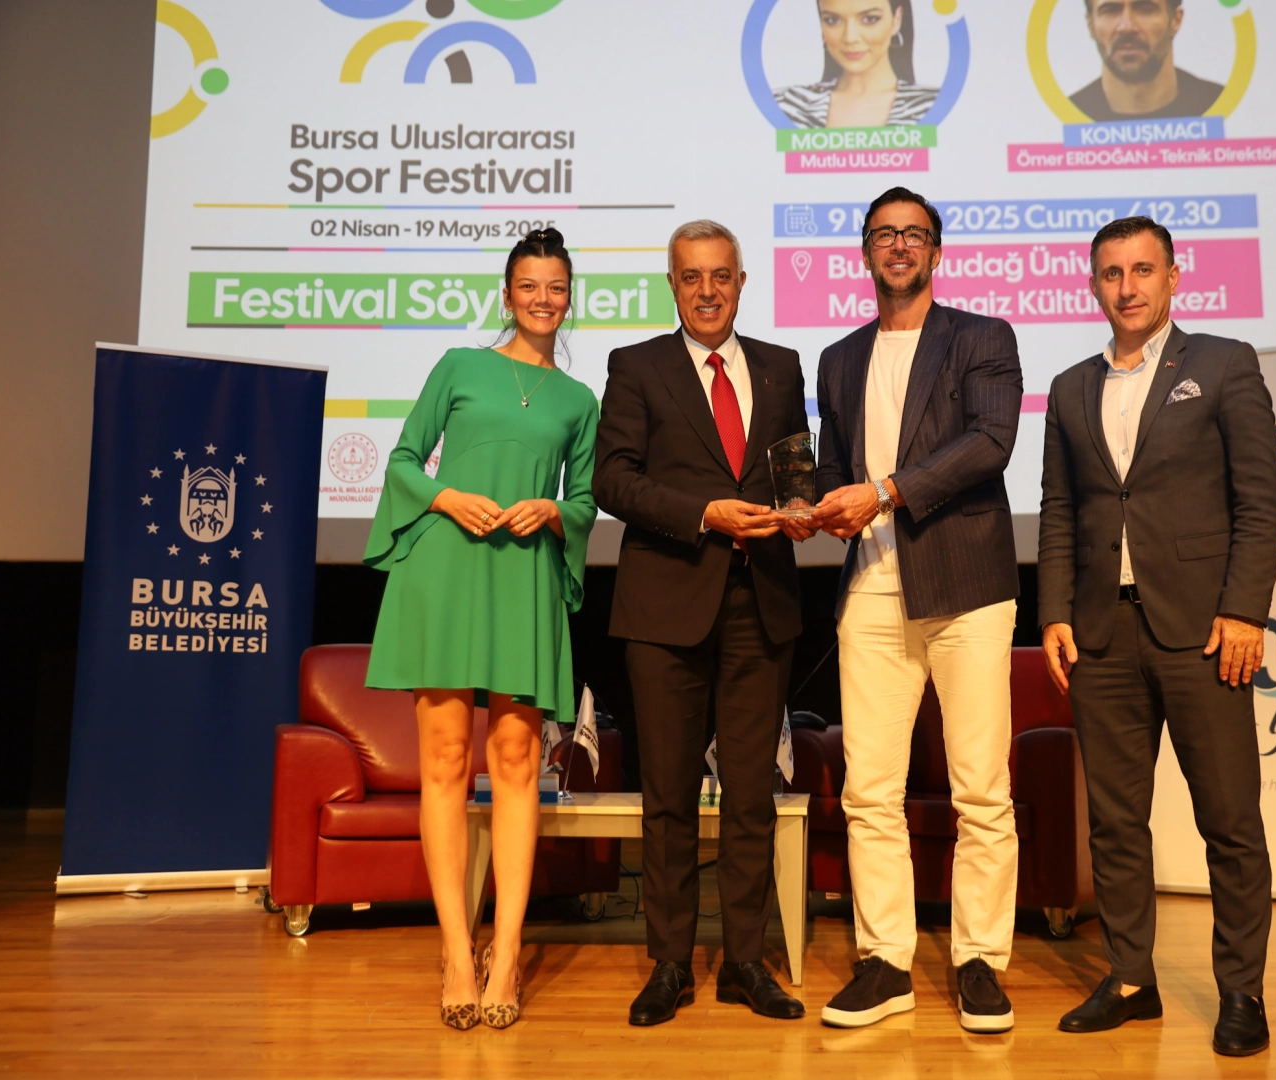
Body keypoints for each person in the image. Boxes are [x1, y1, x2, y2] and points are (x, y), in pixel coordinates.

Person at [1038, 215, 1276, 1057]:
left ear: (1174, 277)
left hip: (1201, 630)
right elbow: (1061, 510)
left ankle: (1241, 991)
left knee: (1229, 821)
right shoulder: (1069, 387)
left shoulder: (1223, 363)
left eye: (1142, 270)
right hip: (1102, 633)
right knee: (1114, 822)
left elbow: (1258, 500)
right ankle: (1130, 979)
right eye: (1111, 273)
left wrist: (1245, 610)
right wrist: (1055, 611)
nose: (1127, 287)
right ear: (1092, 285)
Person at [362, 229, 599, 1031]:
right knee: (443, 761)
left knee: (518, 763)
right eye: (529, 286)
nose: (542, 299)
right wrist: (444, 496)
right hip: (447, 570)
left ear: (568, 297)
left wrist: (552, 510)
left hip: (524, 576)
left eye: (555, 287)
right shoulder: (459, 366)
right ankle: (458, 953)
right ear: (507, 294)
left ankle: (509, 951)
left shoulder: (580, 401)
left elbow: (585, 501)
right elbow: (403, 459)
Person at [811, 187, 1022, 1033]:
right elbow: (834, 467)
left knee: (981, 789)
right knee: (869, 790)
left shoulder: (981, 338)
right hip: (869, 588)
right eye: (883, 234)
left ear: (935, 250)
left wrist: (886, 492)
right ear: (864, 251)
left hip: (965, 587)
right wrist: (819, 506)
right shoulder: (838, 357)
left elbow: (990, 442)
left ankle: (979, 962)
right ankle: (884, 961)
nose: (898, 246)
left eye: (913, 234)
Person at [594, 220, 815, 1026]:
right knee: (668, 797)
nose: (707, 290)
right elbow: (613, 480)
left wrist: (800, 504)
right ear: (672, 285)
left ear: (741, 282)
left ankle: (745, 961)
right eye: (691, 277)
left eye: (720, 275)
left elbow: (794, 465)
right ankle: (670, 965)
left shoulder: (780, 365)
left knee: (752, 795)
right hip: (666, 605)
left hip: (763, 601)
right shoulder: (636, 366)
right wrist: (703, 513)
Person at [774, 0, 939, 128]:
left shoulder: (934, 104)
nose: (850, 37)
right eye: (832, 20)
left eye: (869, 19)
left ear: (897, 19)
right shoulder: (784, 104)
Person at [1068, 0, 1224, 121]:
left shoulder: (1219, 104)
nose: (1127, 27)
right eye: (1110, 10)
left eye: (1145, 9)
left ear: (1175, 21)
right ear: (1091, 25)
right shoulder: (1069, 117)